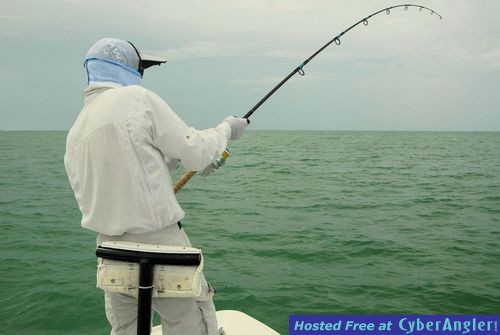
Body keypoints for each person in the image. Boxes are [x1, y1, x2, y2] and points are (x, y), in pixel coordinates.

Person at [64, 37, 249, 335]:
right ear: (123, 68)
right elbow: (197, 151)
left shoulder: (77, 131)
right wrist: (227, 129)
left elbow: (127, 170)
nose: (143, 75)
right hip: (160, 246)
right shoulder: (136, 98)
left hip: (110, 252)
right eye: (141, 68)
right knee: (192, 326)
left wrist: (168, 162)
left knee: (127, 330)